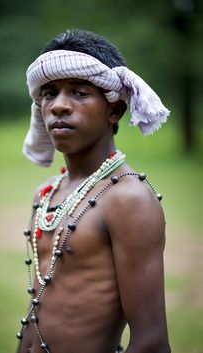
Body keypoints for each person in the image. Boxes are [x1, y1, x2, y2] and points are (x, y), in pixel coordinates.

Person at [16, 29, 171, 353]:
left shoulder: (127, 199)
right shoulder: (46, 192)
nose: (59, 105)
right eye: (48, 93)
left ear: (114, 110)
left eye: (80, 92)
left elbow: (152, 343)